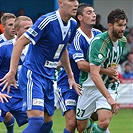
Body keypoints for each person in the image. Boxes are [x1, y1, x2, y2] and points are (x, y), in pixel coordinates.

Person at [0, 0, 81, 133]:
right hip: (33, 74)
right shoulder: (47, 21)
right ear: (60, 2)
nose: (76, 4)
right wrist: (12, 71)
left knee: (46, 125)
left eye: (76, 0)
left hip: (48, 77)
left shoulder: (72, 24)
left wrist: (70, 76)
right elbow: (20, 42)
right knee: (36, 121)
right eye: (71, 0)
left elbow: (63, 49)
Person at [56, 3, 116, 133]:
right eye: (89, 13)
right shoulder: (76, 37)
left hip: (89, 84)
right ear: (80, 17)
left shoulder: (99, 34)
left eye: (93, 12)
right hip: (70, 84)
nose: (93, 15)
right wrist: (106, 71)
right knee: (72, 124)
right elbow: (81, 64)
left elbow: (107, 59)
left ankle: (91, 127)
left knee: (99, 117)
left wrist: (112, 73)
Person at [76, 8, 128, 133]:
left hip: (108, 85)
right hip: (89, 86)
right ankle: (91, 127)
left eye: (124, 25)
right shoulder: (99, 43)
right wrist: (109, 98)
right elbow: (94, 73)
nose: (122, 29)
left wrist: (113, 73)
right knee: (81, 127)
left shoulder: (122, 41)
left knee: (104, 122)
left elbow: (113, 62)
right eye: (119, 25)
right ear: (110, 25)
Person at [0, 15, 33, 133]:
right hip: (4, 93)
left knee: (41, 121)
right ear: (17, 30)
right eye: (27, 28)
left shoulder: (36, 49)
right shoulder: (3, 48)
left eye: (32, 28)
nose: (31, 31)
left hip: (23, 95)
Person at [0, 12, 16, 133]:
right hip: (1, 86)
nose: (13, 28)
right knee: (7, 115)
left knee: (40, 117)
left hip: (16, 87)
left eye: (15, 25)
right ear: (3, 27)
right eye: (10, 25)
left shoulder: (22, 43)